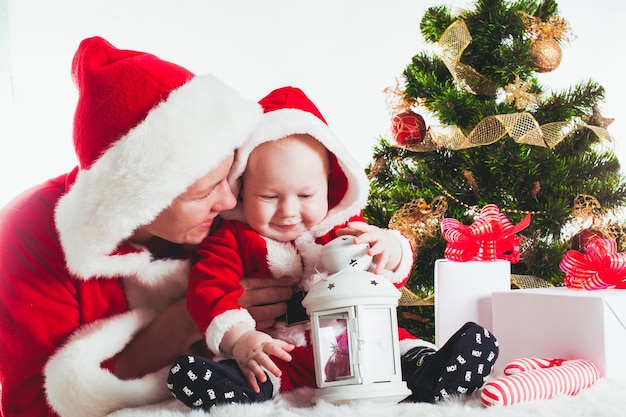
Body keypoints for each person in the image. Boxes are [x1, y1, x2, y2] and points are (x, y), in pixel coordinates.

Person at [0, 37, 296, 417]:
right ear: (139, 201)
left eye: (230, 176)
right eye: (205, 192)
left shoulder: (231, 206)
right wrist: (195, 314)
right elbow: (34, 407)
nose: (227, 202)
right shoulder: (25, 236)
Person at [167, 86, 499, 410]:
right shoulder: (232, 239)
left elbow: (383, 277)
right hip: (283, 351)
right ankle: (230, 386)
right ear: (241, 188)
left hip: (362, 342)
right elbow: (209, 290)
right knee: (257, 369)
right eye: (269, 196)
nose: (288, 211)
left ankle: (434, 371)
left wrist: (390, 248)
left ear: (330, 182)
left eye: (306, 195)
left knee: (397, 348)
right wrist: (241, 340)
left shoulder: (342, 227)